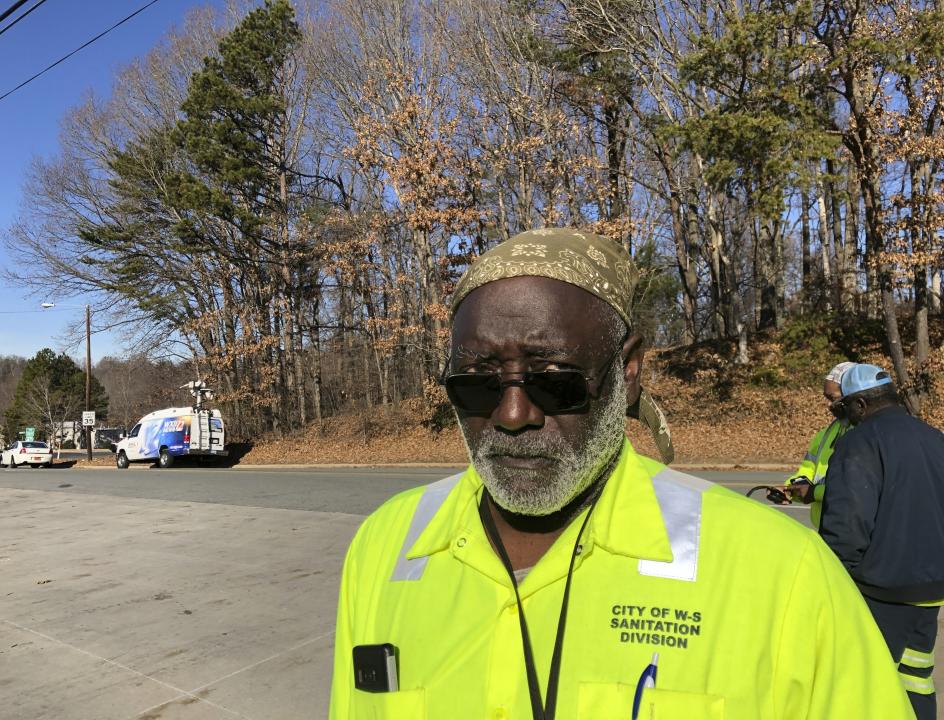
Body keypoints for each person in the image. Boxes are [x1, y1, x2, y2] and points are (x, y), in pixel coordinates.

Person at [329, 228, 912, 719]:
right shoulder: (381, 550)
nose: (511, 415)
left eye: (555, 378)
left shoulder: (784, 575)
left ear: (627, 370)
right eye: (477, 383)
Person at [820, 363, 944, 720]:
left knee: (862, 679)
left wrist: (832, 582)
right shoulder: (933, 436)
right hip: (932, 585)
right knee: (916, 676)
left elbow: (848, 525)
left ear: (859, 405)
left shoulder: (858, 442)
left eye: (840, 407)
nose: (836, 413)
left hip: (882, 589)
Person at [773, 361, 855, 526]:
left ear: (852, 394)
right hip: (825, 529)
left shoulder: (866, 434)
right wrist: (790, 489)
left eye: (833, 398)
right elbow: (808, 472)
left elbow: (853, 489)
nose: (828, 405)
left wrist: (813, 493)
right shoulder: (826, 434)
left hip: (851, 529)